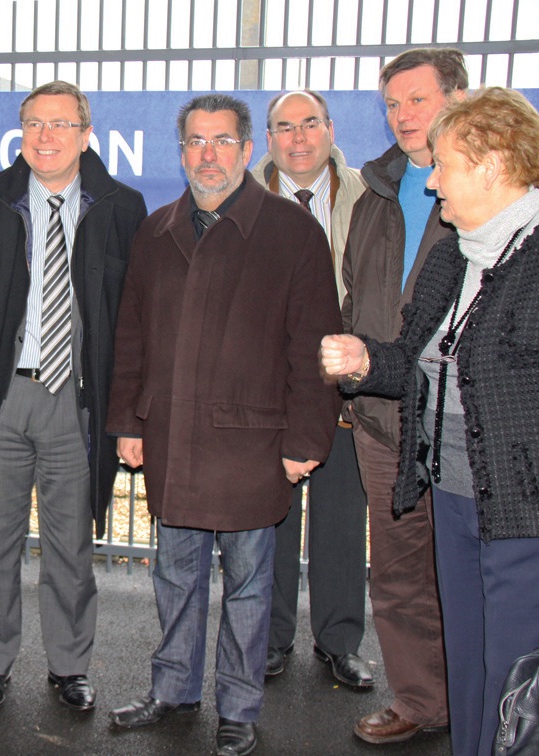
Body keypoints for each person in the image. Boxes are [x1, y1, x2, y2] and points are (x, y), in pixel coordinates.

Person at [321, 86, 539, 756]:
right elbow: (411, 361)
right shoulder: (452, 255)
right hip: (450, 497)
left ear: (492, 164)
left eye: (443, 164)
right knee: (468, 663)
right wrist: (364, 361)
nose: (433, 181)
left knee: (519, 677)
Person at [107, 94, 341, 756]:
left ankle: (238, 707)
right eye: (195, 142)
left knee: (248, 587)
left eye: (221, 141)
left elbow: (313, 345)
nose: (207, 155)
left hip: (254, 444)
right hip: (173, 437)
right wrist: (128, 422)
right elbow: (131, 337)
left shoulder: (292, 232)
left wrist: (305, 439)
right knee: (174, 576)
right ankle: (172, 690)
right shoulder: (156, 231)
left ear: (247, 149)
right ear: (181, 151)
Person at [0, 80, 146, 712]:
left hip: (77, 403)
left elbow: (132, 309)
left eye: (60, 124)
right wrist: (0, 342)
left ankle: (69, 667)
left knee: (71, 547)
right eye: (34, 123)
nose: (45, 136)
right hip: (3, 397)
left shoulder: (121, 205)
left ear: (86, 135)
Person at [249, 90, 372, 688]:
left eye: (309, 124)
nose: (298, 138)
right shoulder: (240, 198)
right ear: (268, 138)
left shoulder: (368, 198)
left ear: (330, 130)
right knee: (271, 517)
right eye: (284, 127)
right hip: (269, 388)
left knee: (343, 518)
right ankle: (269, 640)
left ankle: (339, 641)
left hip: (346, 384)